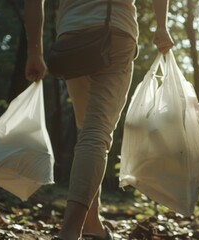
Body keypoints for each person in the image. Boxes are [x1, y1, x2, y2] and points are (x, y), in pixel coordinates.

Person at [24, 0, 174, 239]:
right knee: (96, 133)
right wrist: (162, 26)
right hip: (115, 31)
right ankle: (70, 232)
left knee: (87, 133)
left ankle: (92, 224)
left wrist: (34, 51)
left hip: (71, 38)